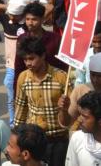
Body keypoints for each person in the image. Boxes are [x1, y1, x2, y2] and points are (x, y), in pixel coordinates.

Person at [12, 37, 69, 165]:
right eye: (25, 59)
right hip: (34, 141)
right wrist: (16, 136)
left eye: (31, 58)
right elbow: (21, 108)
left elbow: (71, 115)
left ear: (43, 55)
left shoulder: (61, 77)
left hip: (58, 139)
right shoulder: (23, 77)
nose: (28, 63)